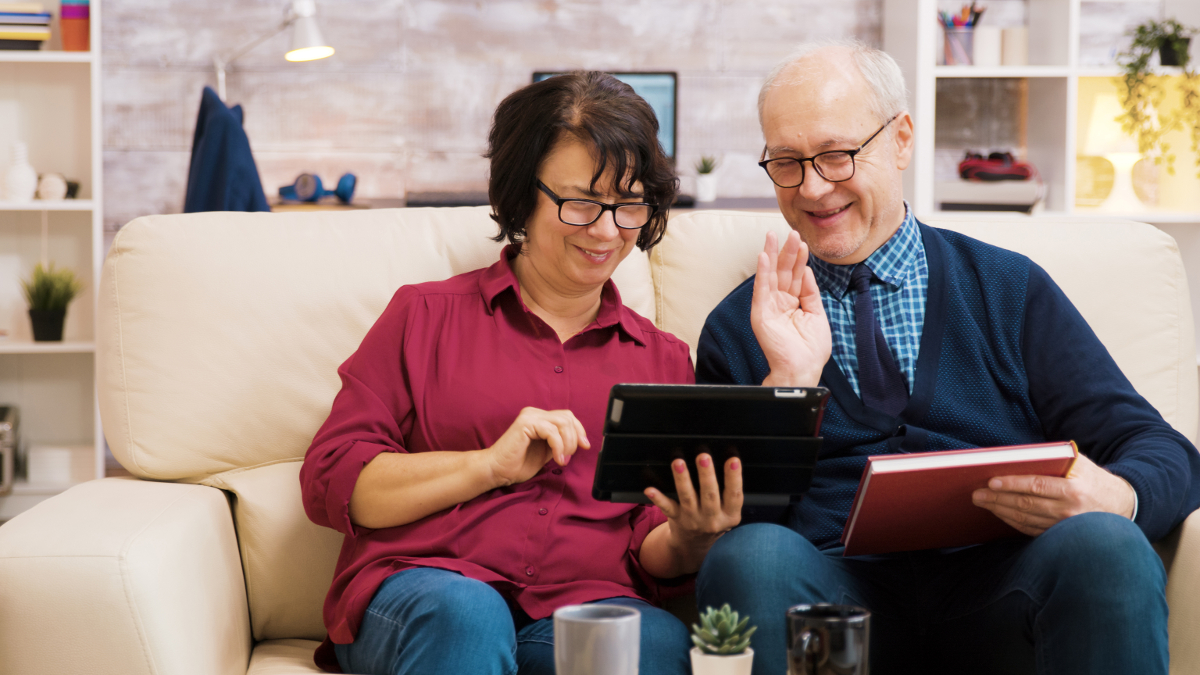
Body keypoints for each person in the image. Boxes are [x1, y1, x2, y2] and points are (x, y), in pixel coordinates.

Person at [694, 40, 1200, 675]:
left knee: (1106, 544)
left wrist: (1118, 496)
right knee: (751, 557)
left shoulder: (1008, 290)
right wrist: (788, 387)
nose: (814, 188)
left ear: (901, 139)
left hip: (1002, 591)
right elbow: (733, 527)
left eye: (836, 155)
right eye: (788, 163)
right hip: (831, 598)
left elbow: (1164, 450)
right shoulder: (738, 330)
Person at [300, 71, 743, 675]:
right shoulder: (424, 316)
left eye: (629, 203)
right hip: (426, 593)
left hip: (578, 606)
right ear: (520, 195)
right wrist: (485, 465)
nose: (607, 230)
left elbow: (648, 541)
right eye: (582, 201)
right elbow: (331, 481)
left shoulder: (661, 360)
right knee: (467, 617)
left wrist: (693, 535)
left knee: (655, 644)